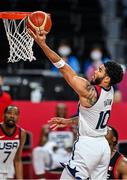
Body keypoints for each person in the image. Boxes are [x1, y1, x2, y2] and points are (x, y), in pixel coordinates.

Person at [28, 28, 123, 179]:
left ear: (106, 79)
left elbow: (63, 68)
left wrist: (42, 44)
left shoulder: (89, 91)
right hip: (103, 148)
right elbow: (89, 117)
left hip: (87, 147)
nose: (94, 71)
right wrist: (68, 120)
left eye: (100, 70)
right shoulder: (110, 91)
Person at [32, 103, 74, 179]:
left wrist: (73, 141)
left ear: (66, 112)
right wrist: (44, 135)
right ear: (56, 112)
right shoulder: (48, 128)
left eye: (63, 110)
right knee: (37, 150)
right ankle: (41, 178)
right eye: (59, 110)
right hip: (53, 157)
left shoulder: (72, 128)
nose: (61, 112)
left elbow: (79, 146)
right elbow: (41, 146)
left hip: (68, 157)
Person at [0, 105, 26, 179]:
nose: (12, 116)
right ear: (3, 115)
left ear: (18, 117)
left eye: (15, 114)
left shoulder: (22, 133)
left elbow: (18, 160)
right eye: (9, 113)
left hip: (9, 172)